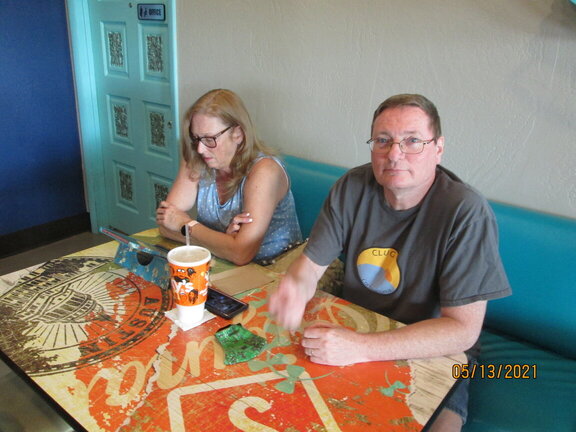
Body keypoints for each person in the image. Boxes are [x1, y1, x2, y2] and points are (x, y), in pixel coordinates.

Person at [268, 94, 511, 431]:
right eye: (383, 140)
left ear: (438, 148)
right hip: (358, 325)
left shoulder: (466, 211)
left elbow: (462, 331)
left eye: (412, 141)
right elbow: (309, 267)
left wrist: (361, 348)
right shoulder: (351, 187)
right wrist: (295, 287)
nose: (395, 154)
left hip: (434, 352)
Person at [156, 89, 302, 266]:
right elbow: (165, 225)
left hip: (273, 271)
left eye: (210, 139)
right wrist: (224, 243)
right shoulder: (196, 157)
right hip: (223, 265)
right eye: (196, 138)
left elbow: (241, 253)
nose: (200, 149)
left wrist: (186, 225)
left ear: (237, 134)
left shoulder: (265, 171)